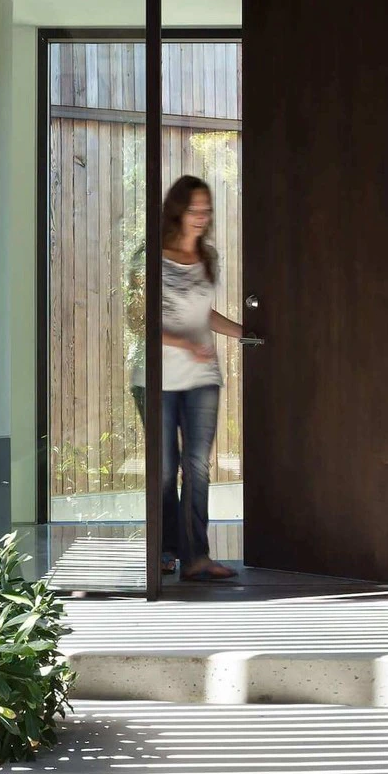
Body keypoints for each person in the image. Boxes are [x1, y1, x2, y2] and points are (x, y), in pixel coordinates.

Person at [127, 175, 253, 582]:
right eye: (194, 209)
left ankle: (197, 557)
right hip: (156, 377)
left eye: (207, 210)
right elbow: (139, 319)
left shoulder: (207, 256)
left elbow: (204, 315)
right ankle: (165, 551)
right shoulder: (148, 256)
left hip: (202, 378)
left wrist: (245, 333)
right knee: (165, 469)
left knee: (197, 467)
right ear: (177, 210)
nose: (202, 217)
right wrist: (184, 343)